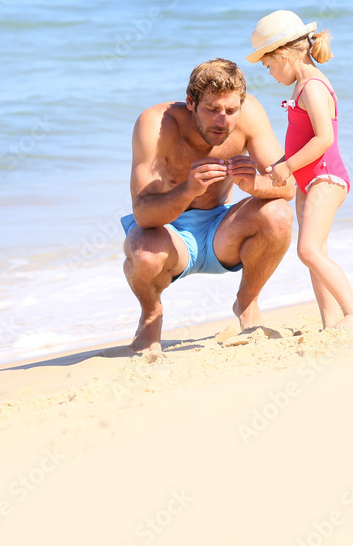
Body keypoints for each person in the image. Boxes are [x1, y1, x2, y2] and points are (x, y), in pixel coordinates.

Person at [121, 58, 295, 352]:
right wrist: (189, 189)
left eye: (231, 110)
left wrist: (253, 184)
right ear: (191, 102)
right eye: (212, 110)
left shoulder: (250, 114)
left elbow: (287, 186)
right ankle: (151, 314)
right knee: (145, 253)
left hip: (221, 230)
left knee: (278, 214)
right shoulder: (156, 123)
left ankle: (247, 302)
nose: (222, 121)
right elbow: (143, 213)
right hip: (167, 230)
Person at [247, 10, 353, 330]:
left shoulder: (313, 87)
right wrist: (278, 165)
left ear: (284, 55)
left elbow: (324, 138)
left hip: (326, 178)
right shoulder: (301, 86)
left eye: (269, 65)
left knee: (308, 250)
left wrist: (287, 166)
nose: (270, 73)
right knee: (315, 254)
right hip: (309, 181)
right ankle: (330, 322)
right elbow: (300, 141)